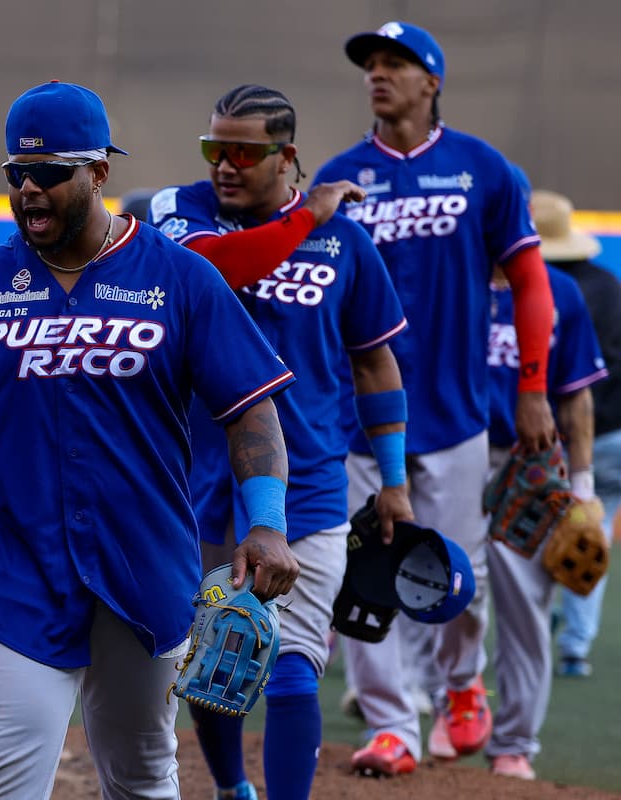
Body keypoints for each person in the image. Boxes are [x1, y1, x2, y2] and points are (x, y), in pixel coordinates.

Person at [0, 79, 299, 800]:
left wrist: (265, 521)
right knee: (7, 787)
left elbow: (252, 412)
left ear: (99, 173)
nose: (28, 191)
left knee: (142, 778)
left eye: (49, 174)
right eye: (16, 173)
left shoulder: (181, 280)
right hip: (17, 574)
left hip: (144, 571)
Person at [147, 83, 413, 800]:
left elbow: (374, 362)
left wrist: (393, 480)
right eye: (214, 149)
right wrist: (307, 218)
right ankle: (232, 787)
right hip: (191, 483)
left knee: (294, 660)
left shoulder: (347, 243)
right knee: (214, 659)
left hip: (311, 484)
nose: (223, 166)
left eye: (243, 151)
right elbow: (218, 270)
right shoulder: (180, 214)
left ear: (286, 156)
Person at [311, 21, 559, 776]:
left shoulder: (483, 169)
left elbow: (529, 283)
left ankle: (460, 683)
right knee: (366, 573)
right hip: (358, 416)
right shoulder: (341, 174)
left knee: (461, 571)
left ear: (433, 81)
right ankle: (393, 725)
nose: (378, 76)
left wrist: (533, 387)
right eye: (372, 66)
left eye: (396, 64)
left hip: (454, 410)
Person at [482, 172, 607, 780]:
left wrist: (582, 489)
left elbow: (577, 402)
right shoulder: (449, 290)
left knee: (527, 613)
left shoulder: (561, 293)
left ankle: (514, 744)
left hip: (528, 470)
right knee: (432, 596)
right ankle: (447, 705)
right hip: (447, 458)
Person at [533, 188, 621, 679]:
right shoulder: (609, 284)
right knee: (592, 534)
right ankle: (576, 647)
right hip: (613, 435)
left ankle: (541, 619)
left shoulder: (543, 289)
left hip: (560, 436)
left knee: (539, 532)